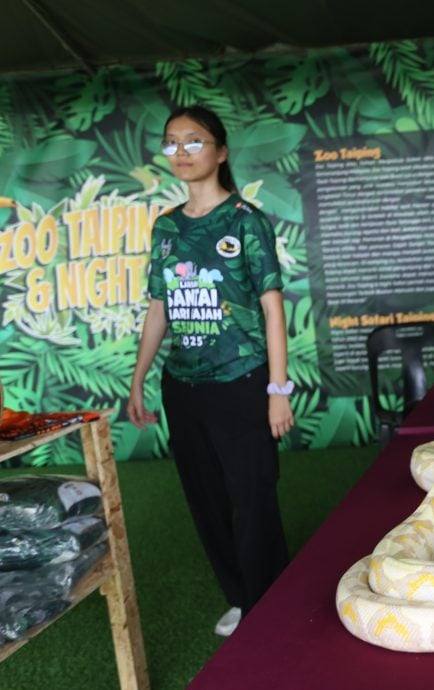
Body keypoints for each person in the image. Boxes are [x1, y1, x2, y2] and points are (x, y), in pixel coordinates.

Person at [127, 106, 293, 637]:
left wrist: (277, 390)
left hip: (242, 382)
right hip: (184, 387)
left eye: (193, 141)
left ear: (220, 151)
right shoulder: (167, 227)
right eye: (172, 142)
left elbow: (272, 309)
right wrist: (139, 378)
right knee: (207, 500)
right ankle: (241, 597)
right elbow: (159, 307)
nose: (181, 151)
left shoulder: (247, 221)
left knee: (252, 495)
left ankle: (268, 601)